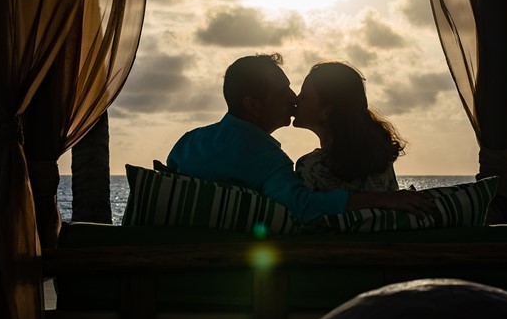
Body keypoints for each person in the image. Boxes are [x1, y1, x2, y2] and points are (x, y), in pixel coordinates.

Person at [167, 53, 432, 224]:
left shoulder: (186, 145)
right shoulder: (269, 163)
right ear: (254, 106)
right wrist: (383, 199)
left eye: (298, 92)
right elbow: (303, 207)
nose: (294, 99)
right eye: (283, 93)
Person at [293, 61, 403, 192]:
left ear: (326, 112)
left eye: (304, 96)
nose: (296, 99)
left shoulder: (310, 167)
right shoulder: (379, 158)